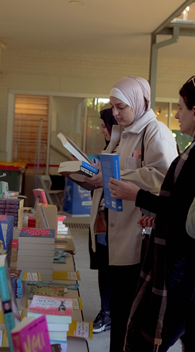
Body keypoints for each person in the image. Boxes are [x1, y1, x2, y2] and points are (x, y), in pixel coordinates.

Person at [86, 76, 178, 352]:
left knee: (128, 311)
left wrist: (116, 176)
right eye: (112, 106)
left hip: (138, 234)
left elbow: (165, 178)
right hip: (116, 230)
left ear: (139, 103)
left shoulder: (155, 132)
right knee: (119, 306)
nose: (115, 113)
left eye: (120, 107)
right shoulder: (123, 132)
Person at [108, 76, 195, 352]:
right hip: (162, 241)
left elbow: (182, 206)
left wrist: (139, 196)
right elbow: (182, 203)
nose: (176, 113)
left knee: (150, 333)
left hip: (181, 257)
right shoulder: (122, 134)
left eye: (181, 107)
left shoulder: (156, 133)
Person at [90, 107, 117, 333]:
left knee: (110, 268)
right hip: (101, 219)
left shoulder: (121, 150)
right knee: (103, 267)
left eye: (103, 125)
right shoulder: (107, 149)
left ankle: (109, 313)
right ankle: (105, 310)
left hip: (114, 220)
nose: (101, 130)